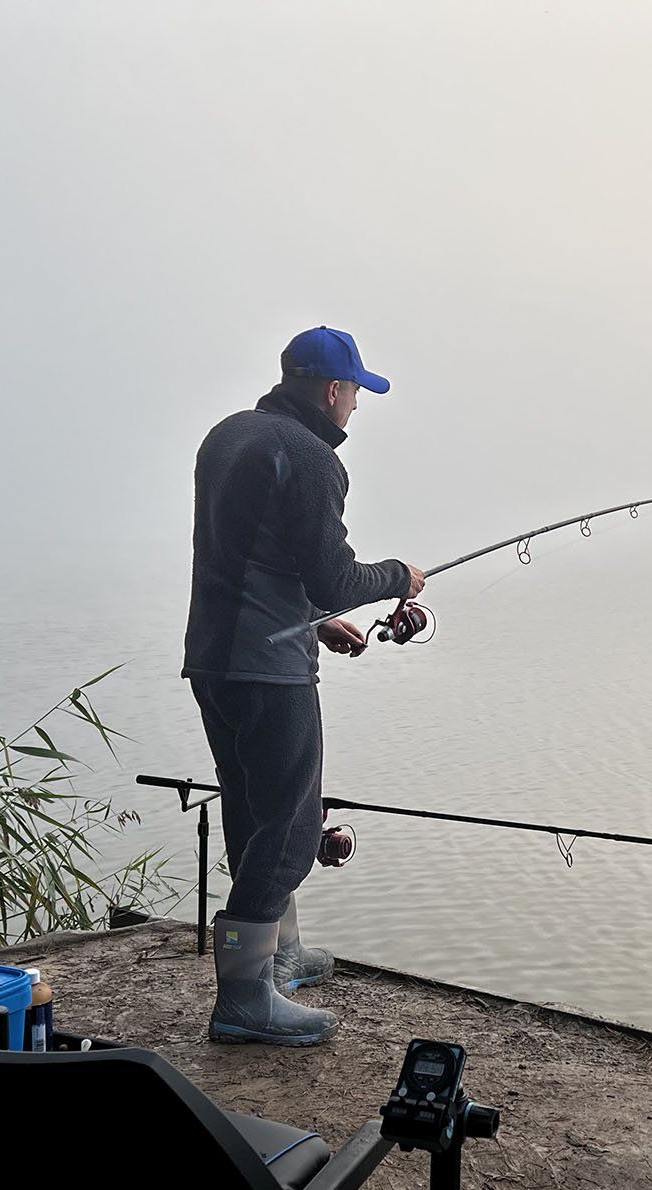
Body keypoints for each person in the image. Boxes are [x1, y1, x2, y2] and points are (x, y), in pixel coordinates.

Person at [183, 327, 424, 1045]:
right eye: (355, 392)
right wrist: (397, 577)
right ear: (330, 390)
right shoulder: (314, 459)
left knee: (252, 814)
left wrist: (316, 621)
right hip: (268, 669)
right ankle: (243, 999)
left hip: (215, 659)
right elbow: (333, 576)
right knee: (289, 829)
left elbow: (249, 554)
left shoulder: (228, 437)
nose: (356, 405)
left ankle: (277, 957)